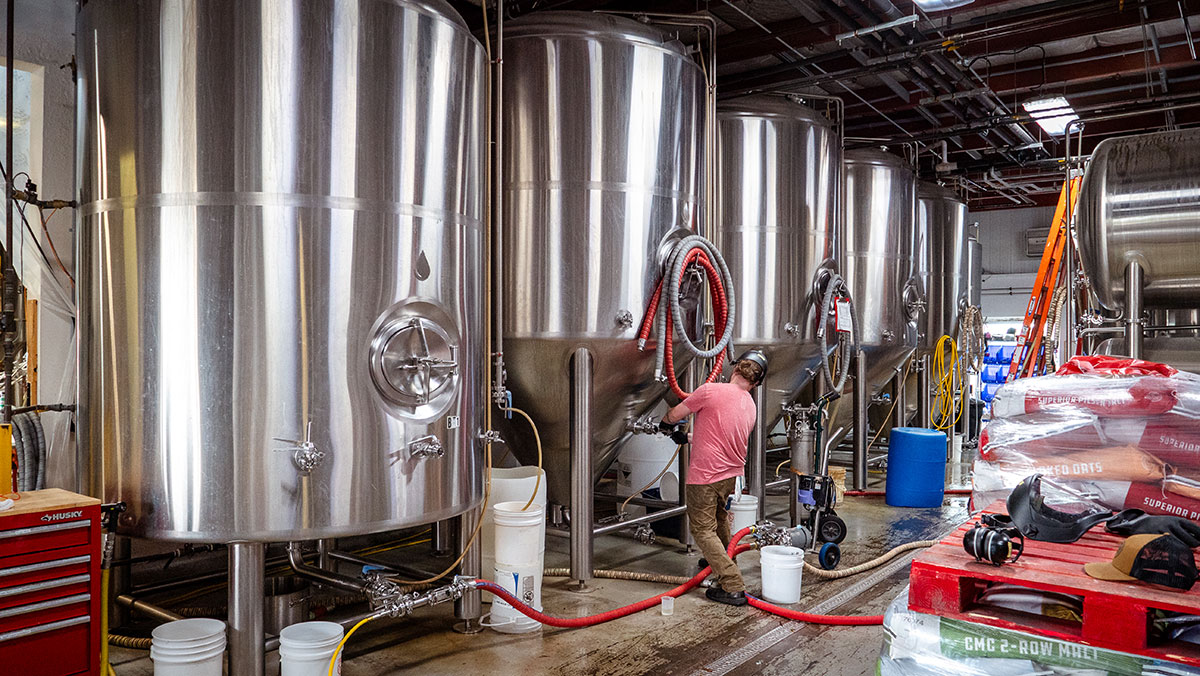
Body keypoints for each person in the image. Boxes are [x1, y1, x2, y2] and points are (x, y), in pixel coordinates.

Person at [659, 350, 766, 606]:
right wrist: (685, 438)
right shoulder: (749, 405)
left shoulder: (711, 391)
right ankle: (722, 560)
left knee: (702, 530)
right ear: (755, 383)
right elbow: (718, 434)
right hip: (731, 476)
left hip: (705, 475)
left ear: (735, 369)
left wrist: (665, 424)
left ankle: (732, 584)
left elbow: (675, 414)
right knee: (719, 520)